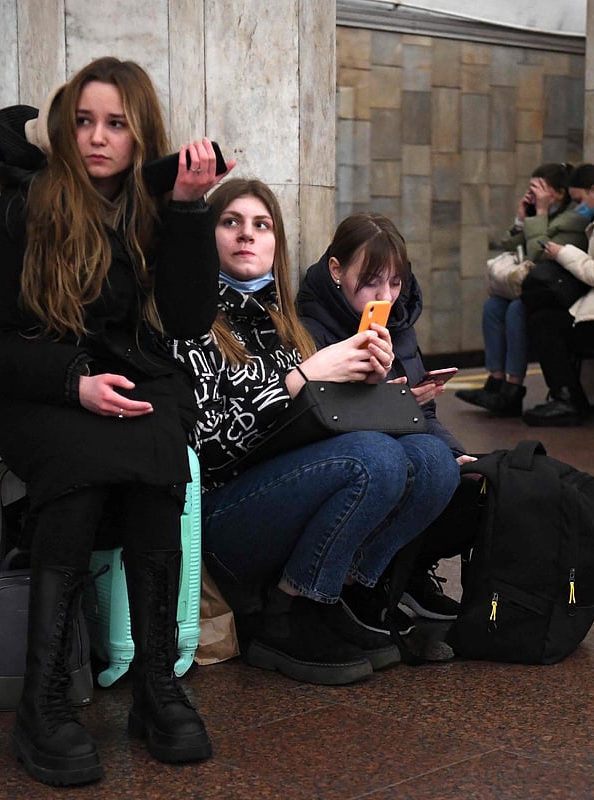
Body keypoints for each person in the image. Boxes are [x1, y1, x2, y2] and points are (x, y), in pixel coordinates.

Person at [0, 57, 231, 785]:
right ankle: (42, 705)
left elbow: (184, 320)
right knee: (79, 473)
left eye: (115, 124)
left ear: (140, 133)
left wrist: (187, 209)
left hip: (132, 373)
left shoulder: (153, 204)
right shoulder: (25, 204)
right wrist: (73, 384)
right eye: (83, 121)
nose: (97, 138)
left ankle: (154, 686)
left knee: (156, 457)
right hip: (35, 386)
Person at [170, 180, 460, 686]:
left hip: (287, 488)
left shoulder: (284, 322)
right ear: (205, 237)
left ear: (276, 243)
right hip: (222, 513)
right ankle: (285, 614)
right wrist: (302, 378)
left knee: (433, 461)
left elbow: (317, 429)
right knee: (375, 459)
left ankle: (340, 597)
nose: (247, 236)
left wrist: (375, 390)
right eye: (230, 223)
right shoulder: (190, 321)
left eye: (261, 226)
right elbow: (208, 447)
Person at [296, 212, 475, 624]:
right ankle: (340, 589)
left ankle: (391, 577)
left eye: (396, 283)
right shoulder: (312, 328)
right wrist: (392, 406)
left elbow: (424, 414)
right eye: (373, 282)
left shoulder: (397, 325)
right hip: (348, 461)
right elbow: (319, 425)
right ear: (336, 270)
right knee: (392, 462)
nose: (386, 296)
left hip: (398, 447)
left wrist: (455, 453)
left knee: (451, 471)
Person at [456, 162, 588, 416]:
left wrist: (538, 213)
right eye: (531, 187)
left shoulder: (571, 221)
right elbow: (510, 243)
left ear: (558, 194)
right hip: (533, 287)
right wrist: (521, 217)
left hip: (557, 293)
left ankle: (513, 389)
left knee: (517, 309)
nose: (533, 193)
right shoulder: (542, 216)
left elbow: (539, 253)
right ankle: (495, 381)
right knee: (493, 307)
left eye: (539, 188)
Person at [521, 164, 594, 426]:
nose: (578, 208)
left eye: (579, 200)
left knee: (545, 325)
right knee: (544, 318)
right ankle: (566, 397)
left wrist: (563, 253)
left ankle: (568, 400)